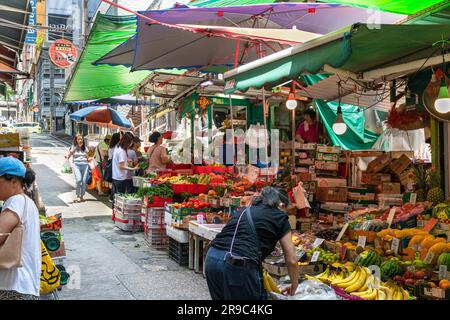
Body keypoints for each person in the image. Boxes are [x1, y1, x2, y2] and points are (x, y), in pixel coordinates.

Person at [205, 187, 298, 300]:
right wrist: (294, 284)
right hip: (237, 265)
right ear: (282, 205)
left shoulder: (244, 210)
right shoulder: (280, 216)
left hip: (212, 258)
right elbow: (291, 259)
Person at [0, 157, 40, 300]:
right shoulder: (27, 203)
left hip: (13, 288)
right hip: (24, 286)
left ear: (14, 181)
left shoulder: (15, 202)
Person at [112, 132, 138, 199]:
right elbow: (121, 166)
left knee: (116, 198)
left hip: (115, 176)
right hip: (120, 178)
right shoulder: (122, 151)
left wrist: (126, 160)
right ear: (128, 141)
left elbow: (118, 161)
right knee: (120, 198)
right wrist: (133, 168)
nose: (131, 144)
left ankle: (113, 209)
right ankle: (115, 209)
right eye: (131, 142)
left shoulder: (117, 147)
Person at [66, 134, 90, 202]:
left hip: (85, 165)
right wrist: (67, 157)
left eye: (81, 139)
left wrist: (90, 159)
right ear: (76, 140)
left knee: (84, 181)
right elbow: (69, 154)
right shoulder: (73, 147)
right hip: (76, 165)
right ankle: (78, 195)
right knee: (79, 180)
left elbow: (87, 157)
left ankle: (82, 195)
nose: (80, 140)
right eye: (79, 139)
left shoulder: (85, 148)